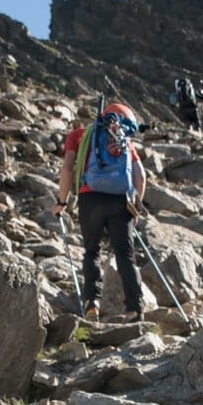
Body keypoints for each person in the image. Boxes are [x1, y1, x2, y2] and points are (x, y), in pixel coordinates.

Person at [56, 100, 148, 319]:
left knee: (92, 251)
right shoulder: (124, 139)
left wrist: (61, 201)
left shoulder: (78, 135)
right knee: (126, 256)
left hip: (90, 197)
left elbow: (68, 169)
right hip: (120, 200)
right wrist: (135, 208)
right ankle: (135, 308)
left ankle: (92, 303)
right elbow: (141, 176)